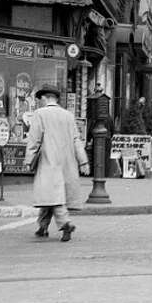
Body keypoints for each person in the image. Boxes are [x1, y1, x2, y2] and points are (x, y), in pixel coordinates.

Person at [25, 85, 89, 242]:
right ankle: (42, 226)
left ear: (45, 98)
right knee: (51, 194)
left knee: (53, 196)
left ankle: (65, 224)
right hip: (67, 162)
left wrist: (28, 159)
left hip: (49, 160)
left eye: (39, 99)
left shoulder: (39, 114)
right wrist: (83, 161)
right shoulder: (68, 115)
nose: (39, 102)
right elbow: (76, 139)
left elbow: (34, 139)